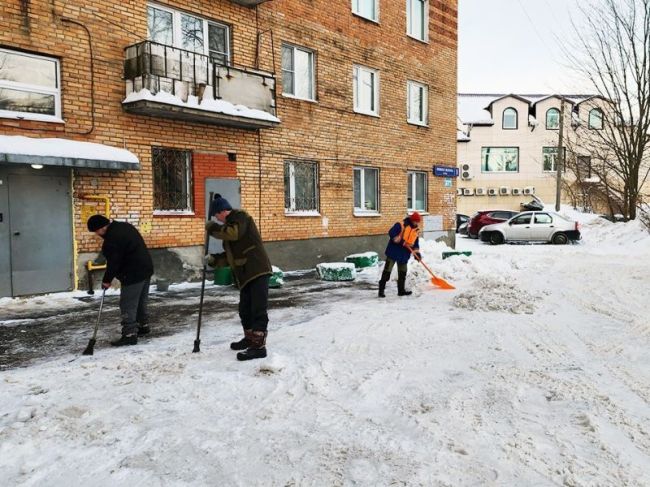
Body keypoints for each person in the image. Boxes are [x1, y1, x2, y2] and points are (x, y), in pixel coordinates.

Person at [205, 195, 272, 361]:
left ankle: (258, 346)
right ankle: (250, 338)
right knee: (244, 309)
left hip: (257, 269)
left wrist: (212, 228)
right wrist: (213, 260)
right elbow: (230, 256)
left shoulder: (241, 217)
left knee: (258, 309)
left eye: (216, 216)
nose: (216, 219)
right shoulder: (230, 225)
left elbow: (233, 234)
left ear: (222, 212)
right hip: (245, 275)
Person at [87, 214, 154, 346]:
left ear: (102, 227)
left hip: (132, 273)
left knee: (128, 304)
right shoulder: (124, 226)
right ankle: (143, 325)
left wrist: (107, 280)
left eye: (96, 231)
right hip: (145, 268)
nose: (97, 234)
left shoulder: (112, 239)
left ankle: (129, 334)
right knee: (141, 300)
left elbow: (114, 263)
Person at [378, 212, 422, 298]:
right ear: (412, 220)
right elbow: (391, 232)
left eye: (418, 222)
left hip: (404, 254)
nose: (417, 223)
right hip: (394, 252)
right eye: (415, 221)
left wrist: (417, 254)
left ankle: (401, 291)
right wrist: (400, 241)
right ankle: (381, 290)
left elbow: (415, 244)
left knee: (402, 273)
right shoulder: (401, 225)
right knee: (387, 272)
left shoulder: (416, 231)